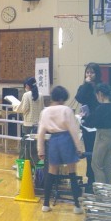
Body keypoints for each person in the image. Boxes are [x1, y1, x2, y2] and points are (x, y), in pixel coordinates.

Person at [37, 85, 85, 214]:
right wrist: (79, 147)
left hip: (53, 141)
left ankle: (45, 204)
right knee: (72, 172)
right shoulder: (66, 110)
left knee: (51, 172)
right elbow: (73, 130)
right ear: (62, 98)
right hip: (66, 139)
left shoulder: (45, 111)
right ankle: (77, 206)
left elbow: (41, 132)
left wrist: (40, 150)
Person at [83, 83, 111, 184]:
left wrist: (84, 118)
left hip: (102, 136)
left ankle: (101, 191)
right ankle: (108, 189)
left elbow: (89, 122)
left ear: (100, 94)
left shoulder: (102, 108)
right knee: (106, 166)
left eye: (97, 95)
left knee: (96, 165)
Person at [75, 62, 101, 189]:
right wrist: (86, 84)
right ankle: (90, 179)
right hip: (87, 126)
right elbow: (79, 98)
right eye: (88, 72)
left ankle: (97, 179)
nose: (89, 75)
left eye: (92, 72)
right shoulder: (83, 87)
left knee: (98, 154)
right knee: (89, 153)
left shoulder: (101, 87)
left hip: (99, 125)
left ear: (97, 74)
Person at [12, 77, 44, 164]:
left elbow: (24, 108)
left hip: (28, 124)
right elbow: (42, 109)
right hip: (39, 124)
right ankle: (35, 163)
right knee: (35, 145)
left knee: (26, 145)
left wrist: (15, 106)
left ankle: (24, 163)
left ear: (27, 85)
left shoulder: (26, 95)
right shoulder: (41, 95)